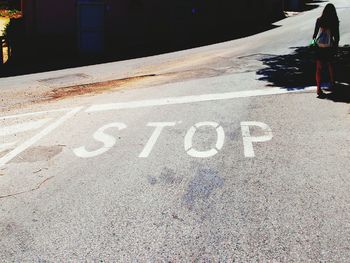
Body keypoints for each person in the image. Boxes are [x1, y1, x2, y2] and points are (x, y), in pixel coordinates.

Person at [312, 3, 340, 97]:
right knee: (331, 65)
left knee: (318, 68)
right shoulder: (334, 21)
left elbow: (314, 35)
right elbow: (337, 37)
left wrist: (314, 43)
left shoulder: (319, 20)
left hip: (319, 48)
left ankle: (318, 88)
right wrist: (336, 47)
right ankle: (332, 82)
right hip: (329, 47)